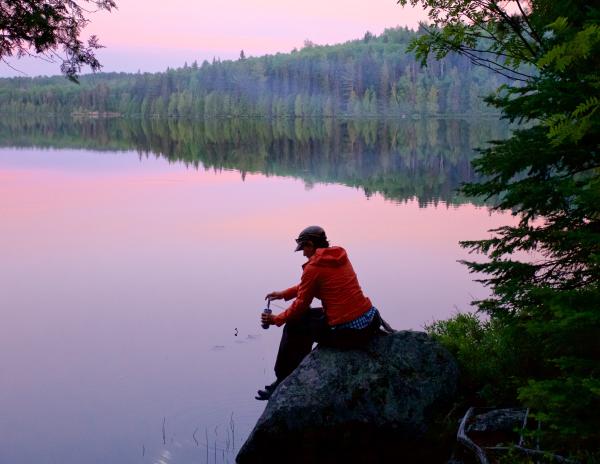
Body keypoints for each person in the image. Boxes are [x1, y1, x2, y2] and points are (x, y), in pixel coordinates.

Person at [257, 225, 382, 400]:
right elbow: (310, 285)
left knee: (294, 325)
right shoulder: (338, 255)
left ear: (310, 244)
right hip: (370, 319)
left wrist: (276, 319)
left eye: (304, 248)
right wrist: (284, 294)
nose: (303, 254)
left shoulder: (314, 267)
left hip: (350, 333)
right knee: (305, 317)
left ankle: (283, 379)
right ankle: (290, 374)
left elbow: (301, 304)